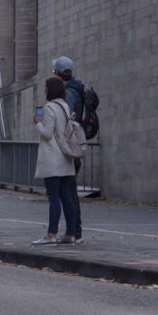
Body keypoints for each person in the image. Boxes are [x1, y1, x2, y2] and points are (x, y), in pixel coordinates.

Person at [32, 76, 77, 245]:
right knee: (66, 195)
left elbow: (47, 132)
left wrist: (37, 123)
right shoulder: (64, 106)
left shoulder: (49, 107)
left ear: (50, 90)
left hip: (52, 157)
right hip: (65, 156)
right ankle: (71, 233)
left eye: (45, 87)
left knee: (53, 196)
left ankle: (51, 234)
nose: (44, 90)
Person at [54, 56, 85, 244]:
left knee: (68, 191)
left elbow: (68, 120)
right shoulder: (75, 89)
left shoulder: (70, 93)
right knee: (67, 190)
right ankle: (73, 230)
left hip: (69, 149)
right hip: (72, 146)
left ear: (58, 73)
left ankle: (73, 231)